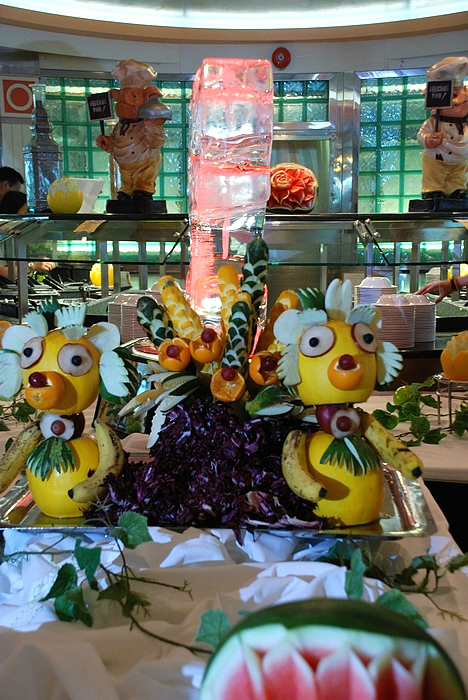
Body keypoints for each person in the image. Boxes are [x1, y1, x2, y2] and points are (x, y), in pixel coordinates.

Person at [417, 56, 468, 203]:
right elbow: (421, 135)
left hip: (460, 160)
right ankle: (433, 191)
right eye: (453, 95)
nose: (458, 102)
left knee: (458, 177)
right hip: (437, 158)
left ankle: (457, 190)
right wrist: (428, 139)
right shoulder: (434, 122)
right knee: (434, 176)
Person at [0, 188, 55, 279]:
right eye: (25, 212)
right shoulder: (3, 236)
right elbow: (2, 272)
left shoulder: (16, 235)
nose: (29, 218)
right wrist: (32, 266)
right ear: (13, 212)